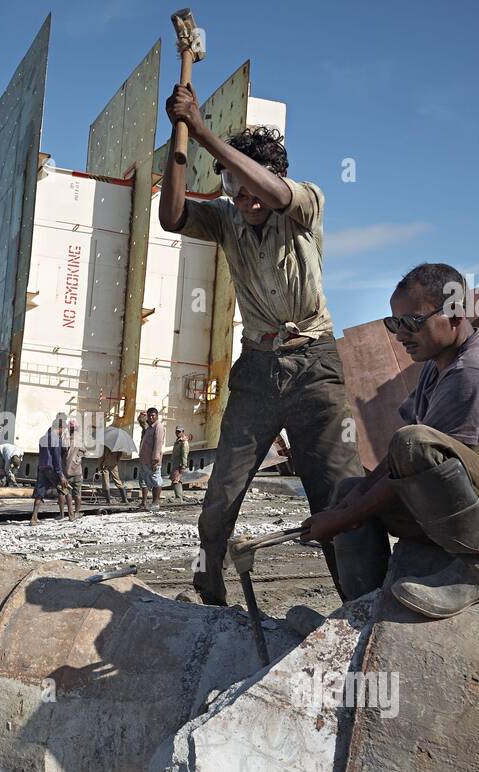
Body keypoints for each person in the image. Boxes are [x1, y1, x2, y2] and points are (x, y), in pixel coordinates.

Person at [160, 85, 367, 605]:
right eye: (235, 185)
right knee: (220, 498)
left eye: (254, 185)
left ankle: (363, 602)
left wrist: (203, 129)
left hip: (313, 366)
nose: (247, 200)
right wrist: (179, 137)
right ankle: (209, 591)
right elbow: (171, 216)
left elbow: (272, 194)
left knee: (338, 496)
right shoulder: (228, 218)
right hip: (256, 370)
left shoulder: (303, 203)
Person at [301, 263, 479, 618]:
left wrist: (341, 521)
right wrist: (346, 507)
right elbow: (396, 465)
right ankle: (362, 614)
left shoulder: (473, 371)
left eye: (411, 322)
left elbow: (418, 454)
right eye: (394, 324)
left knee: (413, 443)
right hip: (477, 499)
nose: (400, 334)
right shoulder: (436, 366)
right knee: (348, 489)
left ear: (454, 313)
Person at [30, 416, 69, 526]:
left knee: (39, 494)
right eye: (63, 429)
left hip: (42, 468)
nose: (63, 431)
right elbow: (56, 458)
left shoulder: (43, 438)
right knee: (64, 489)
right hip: (52, 469)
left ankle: (34, 517)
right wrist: (61, 475)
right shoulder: (56, 439)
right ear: (60, 428)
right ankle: (69, 515)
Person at [137, 407, 165, 510]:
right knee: (146, 480)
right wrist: (141, 416)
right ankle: (146, 503)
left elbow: (158, 445)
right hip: (145, 459)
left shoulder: (158, 427)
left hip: (152, 460)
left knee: (156, 480)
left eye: (153, 415)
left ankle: (156, 502)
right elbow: (141, 422)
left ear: (157, 416)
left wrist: (155, 460)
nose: (151, 417)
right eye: (149, 416)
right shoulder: (149, 427)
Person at [64, 419, 85, 518]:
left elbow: (63, 454)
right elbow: (83, 453)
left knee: (68, 492)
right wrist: (77, 459)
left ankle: (70, 513)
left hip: (67, 471)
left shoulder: (66, 440)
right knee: (77, 493)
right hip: (77, 471)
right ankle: (77, 512)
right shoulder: (80, 440)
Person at [171, 426, 190, 500]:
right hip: (175, 463)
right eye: (177, 431)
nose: (177, 433)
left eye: (179, 432)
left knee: (176, 480)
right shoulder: (178, 441)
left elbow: (184, 455)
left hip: (179, 464)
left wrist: (183, 466)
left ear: (183, 432)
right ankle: (179, 496)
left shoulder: (184, 442)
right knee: (176, 480)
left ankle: (179, 498)